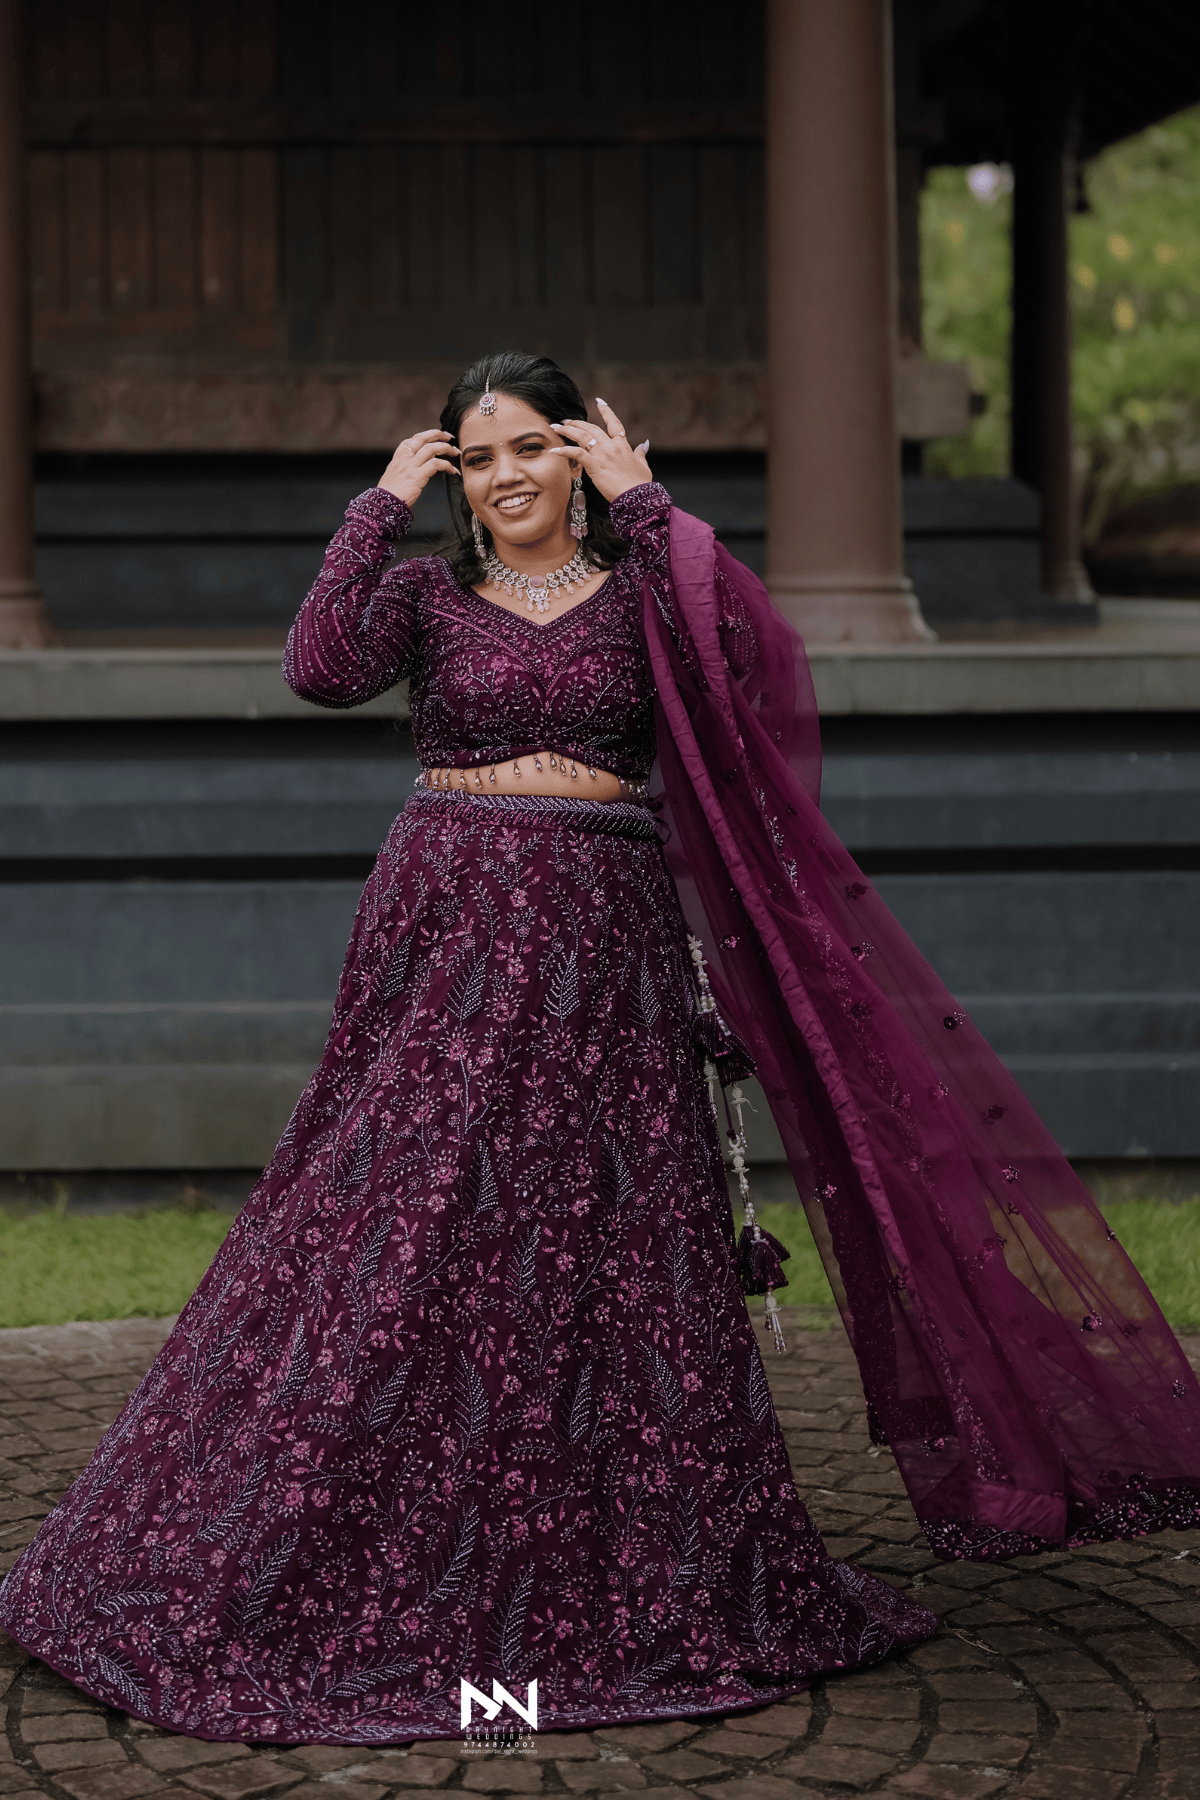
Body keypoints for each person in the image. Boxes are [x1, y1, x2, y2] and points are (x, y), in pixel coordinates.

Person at [2, 351, 1198, 1747]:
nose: (507, 475)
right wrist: (374, 508)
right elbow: (317, 669)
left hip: (602, 943)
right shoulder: (426, 595)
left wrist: (653, 506)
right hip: (447, 926)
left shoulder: (647, 592)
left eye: (532, 447)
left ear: (578, 455)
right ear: (458, 473)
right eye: (478, 455)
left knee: (602, 1230)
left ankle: (603, 1561)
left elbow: (749, 665)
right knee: (409, 1219)